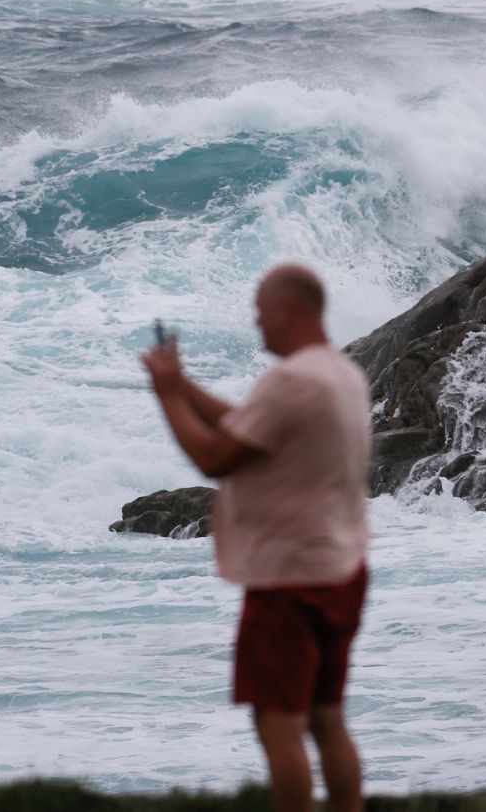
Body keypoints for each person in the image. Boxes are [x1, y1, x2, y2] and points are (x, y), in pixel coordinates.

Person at [141, 264, 372, 812]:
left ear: (289, 308)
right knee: (325, 717)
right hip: (341, 566)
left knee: (279, 727)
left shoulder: (290, 381)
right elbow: (250, 424)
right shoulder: (340, 374)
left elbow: (213, 456)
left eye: (260, 310)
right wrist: (187, 385)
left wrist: (168, 394)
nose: (256, 322)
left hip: (288, 579)